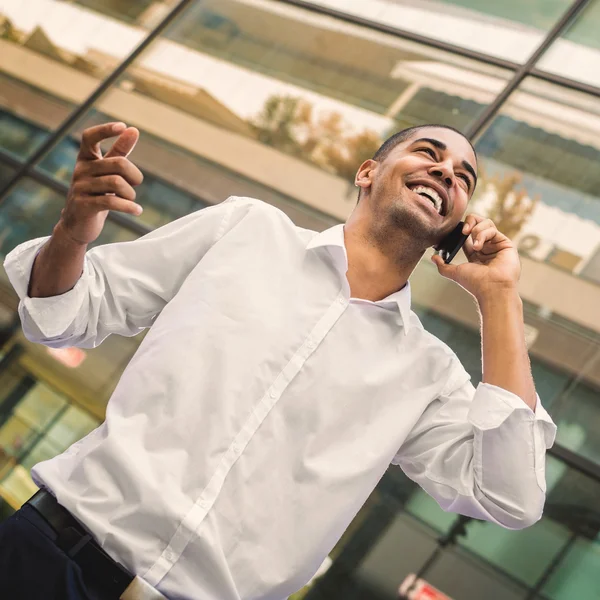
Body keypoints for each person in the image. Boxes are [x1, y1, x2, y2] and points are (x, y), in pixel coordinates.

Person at [0, 122, 556, 600]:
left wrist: (500, 296)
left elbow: (510, 497)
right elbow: (63, 315)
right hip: (48, 552)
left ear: (457, 222)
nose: (446, 175)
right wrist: (73, 231)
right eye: (430, 155)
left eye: (463, 178)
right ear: (368, 172)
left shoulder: (428, 373)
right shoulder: (245, 229)